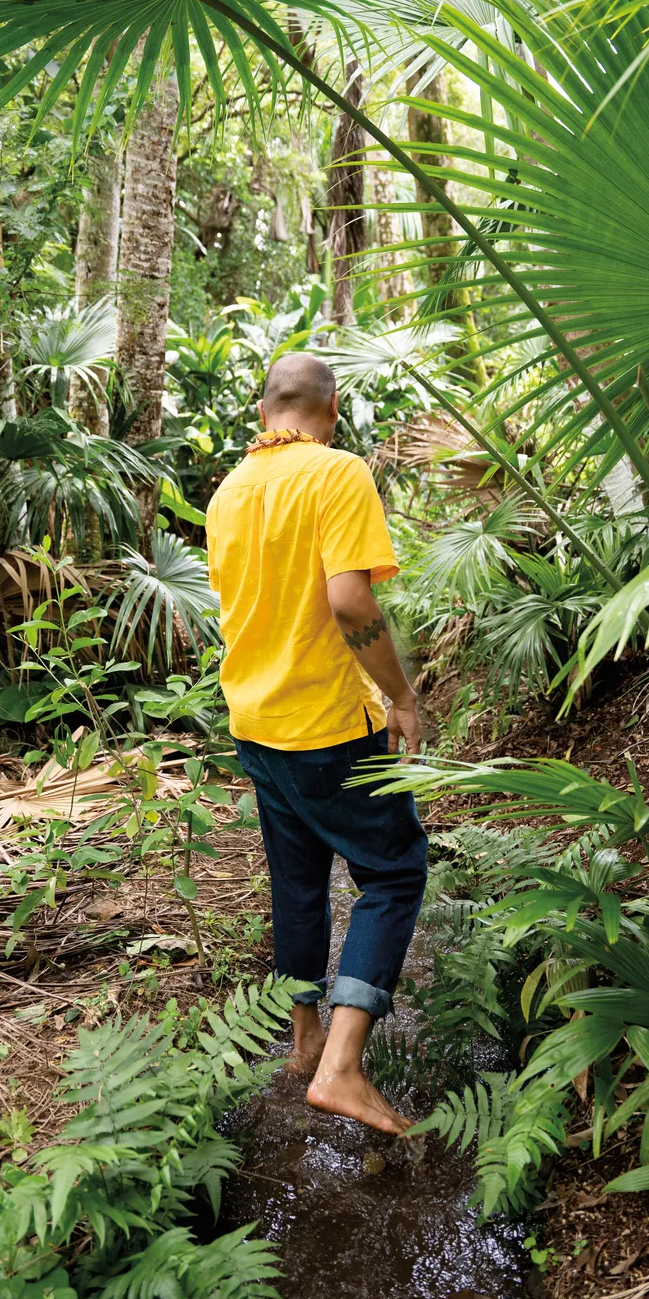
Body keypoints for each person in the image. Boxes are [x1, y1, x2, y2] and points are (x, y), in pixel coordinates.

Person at [205, 354, 427, 1134]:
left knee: (296, 882)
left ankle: (303, 1041)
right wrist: (401, 695)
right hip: (329, 725)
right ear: (330, 408)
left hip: (256, 725)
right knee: (394, 875)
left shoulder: (228, 491)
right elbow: (347, 599)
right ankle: (340, 1069)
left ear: (264, 409)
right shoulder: (336, 473)